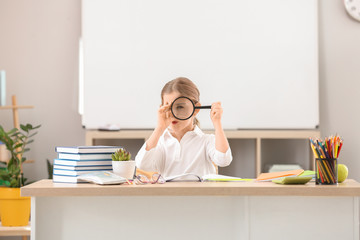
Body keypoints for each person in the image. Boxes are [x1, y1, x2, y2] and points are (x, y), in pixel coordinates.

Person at [135, 77, 232, 178]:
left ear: (195, 109)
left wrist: (217, 123)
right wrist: (159, 128)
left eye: (180, 107)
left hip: (200, 194)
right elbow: (142, 164)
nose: (173, 113)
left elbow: (224, 160)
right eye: (167, 107)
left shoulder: (206, 141)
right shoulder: (160, 142)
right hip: (169, 193)